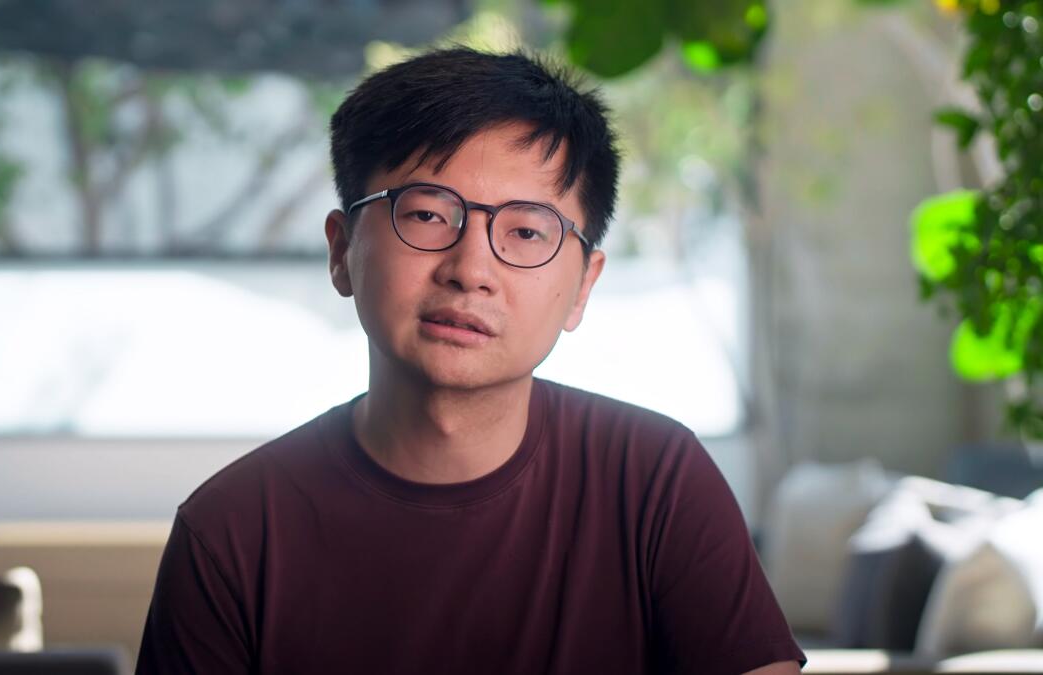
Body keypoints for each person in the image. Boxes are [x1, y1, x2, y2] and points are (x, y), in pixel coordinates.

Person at [135, 46, 806, 674]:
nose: (472, 269)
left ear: (583, 286)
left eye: (526, 231)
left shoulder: (656, 481)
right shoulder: (231, 531)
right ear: (341, 250)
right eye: (427, 214)